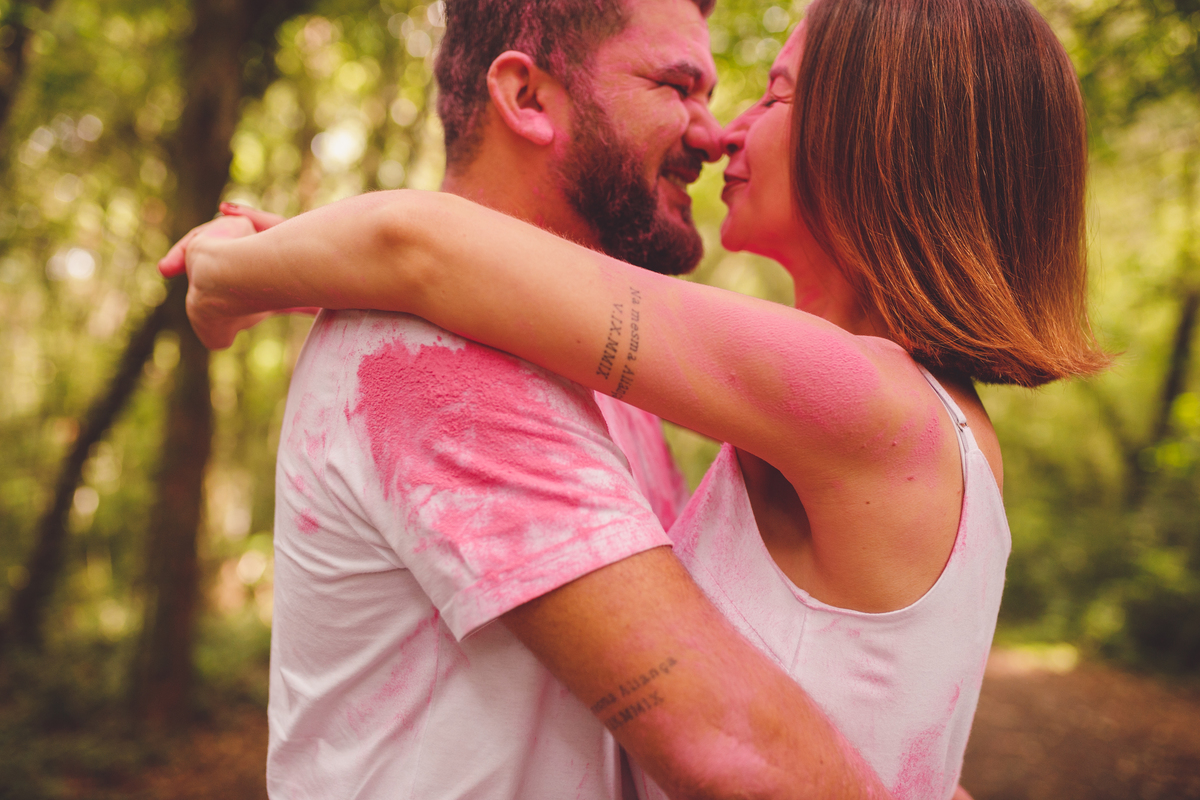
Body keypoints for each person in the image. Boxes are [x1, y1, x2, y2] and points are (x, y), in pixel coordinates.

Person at [168, 0, 1110, 797]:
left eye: (772, 92)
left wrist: (237, 272)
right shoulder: (908, 420)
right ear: (523, 95)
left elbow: (419, 249)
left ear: (881, 138)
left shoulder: (863, 399)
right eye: (678, 87)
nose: (723, 129)